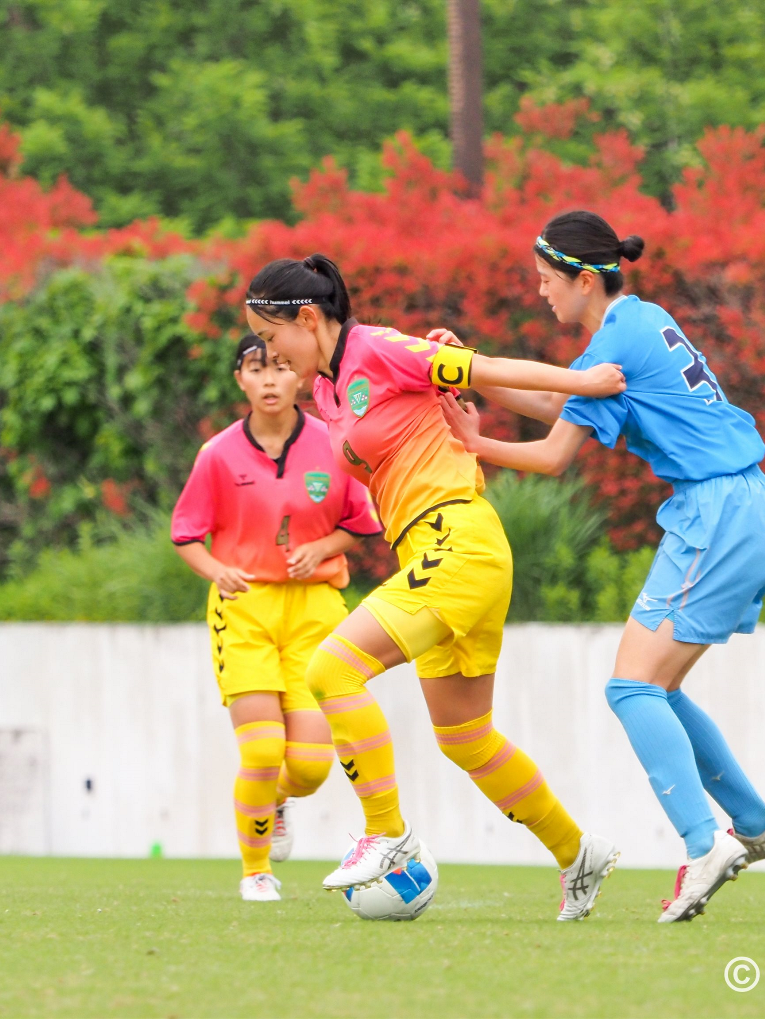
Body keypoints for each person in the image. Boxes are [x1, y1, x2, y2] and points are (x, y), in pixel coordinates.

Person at [436, 210, 765, 923]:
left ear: (583, 279)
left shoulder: (616, 340)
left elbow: (549, 453)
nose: (542, 293)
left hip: (716, 510)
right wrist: (471, 366)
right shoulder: (642, 321)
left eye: (547, 281)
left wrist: (470, 444)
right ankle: (755, 824)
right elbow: (553, 400)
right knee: (656, 685)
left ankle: (705, 842)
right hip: (749, 504)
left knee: (632, 687)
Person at [244, 254, 626, 921]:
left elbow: (488, 369)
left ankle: (387, 833)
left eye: (274, 341)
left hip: (458, 541)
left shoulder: (379, 348)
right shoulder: (328, 392)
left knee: (332, 667)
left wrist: (585, 381)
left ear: (309, 319)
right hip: (435, 551)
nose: (272, 357)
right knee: (466, 736)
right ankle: (577, 850)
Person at [172, 334, 383, 901]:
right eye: (255, 369)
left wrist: (322, 547)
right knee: (262, 751)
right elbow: (187, 534)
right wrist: (216, 570)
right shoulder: (217, 454)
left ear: (300, 379)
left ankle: (276, 800)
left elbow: (363, 523)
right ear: (239, 380)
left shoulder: (332, 443)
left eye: (279, 368)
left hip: (315, 608)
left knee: (310, 769)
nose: (268, 380)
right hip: (245, 610)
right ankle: (256, 869)